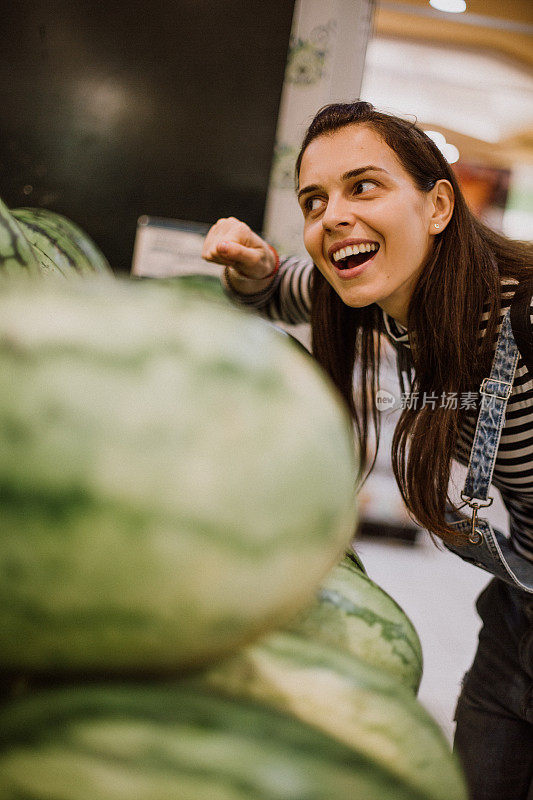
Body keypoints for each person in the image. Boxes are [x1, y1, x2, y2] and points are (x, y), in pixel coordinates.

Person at [202, 100, 533, 800]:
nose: (333, 217)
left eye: (363, 186)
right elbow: (274, 292)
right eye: (313, 201)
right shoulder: (378, 294)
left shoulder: (523, 309)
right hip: (517, 614)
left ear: (437, 204)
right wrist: (248, 267)